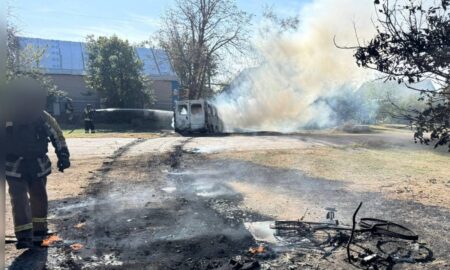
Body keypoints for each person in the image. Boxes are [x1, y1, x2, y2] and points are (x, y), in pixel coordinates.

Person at [5, 77, 71, 249]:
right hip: (14, 165)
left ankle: (39, 232)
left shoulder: (42, 116)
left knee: (38, 197)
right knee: (19, 199)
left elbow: (57, 135)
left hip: (37, 164)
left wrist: (63, 155)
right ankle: (24, 235)